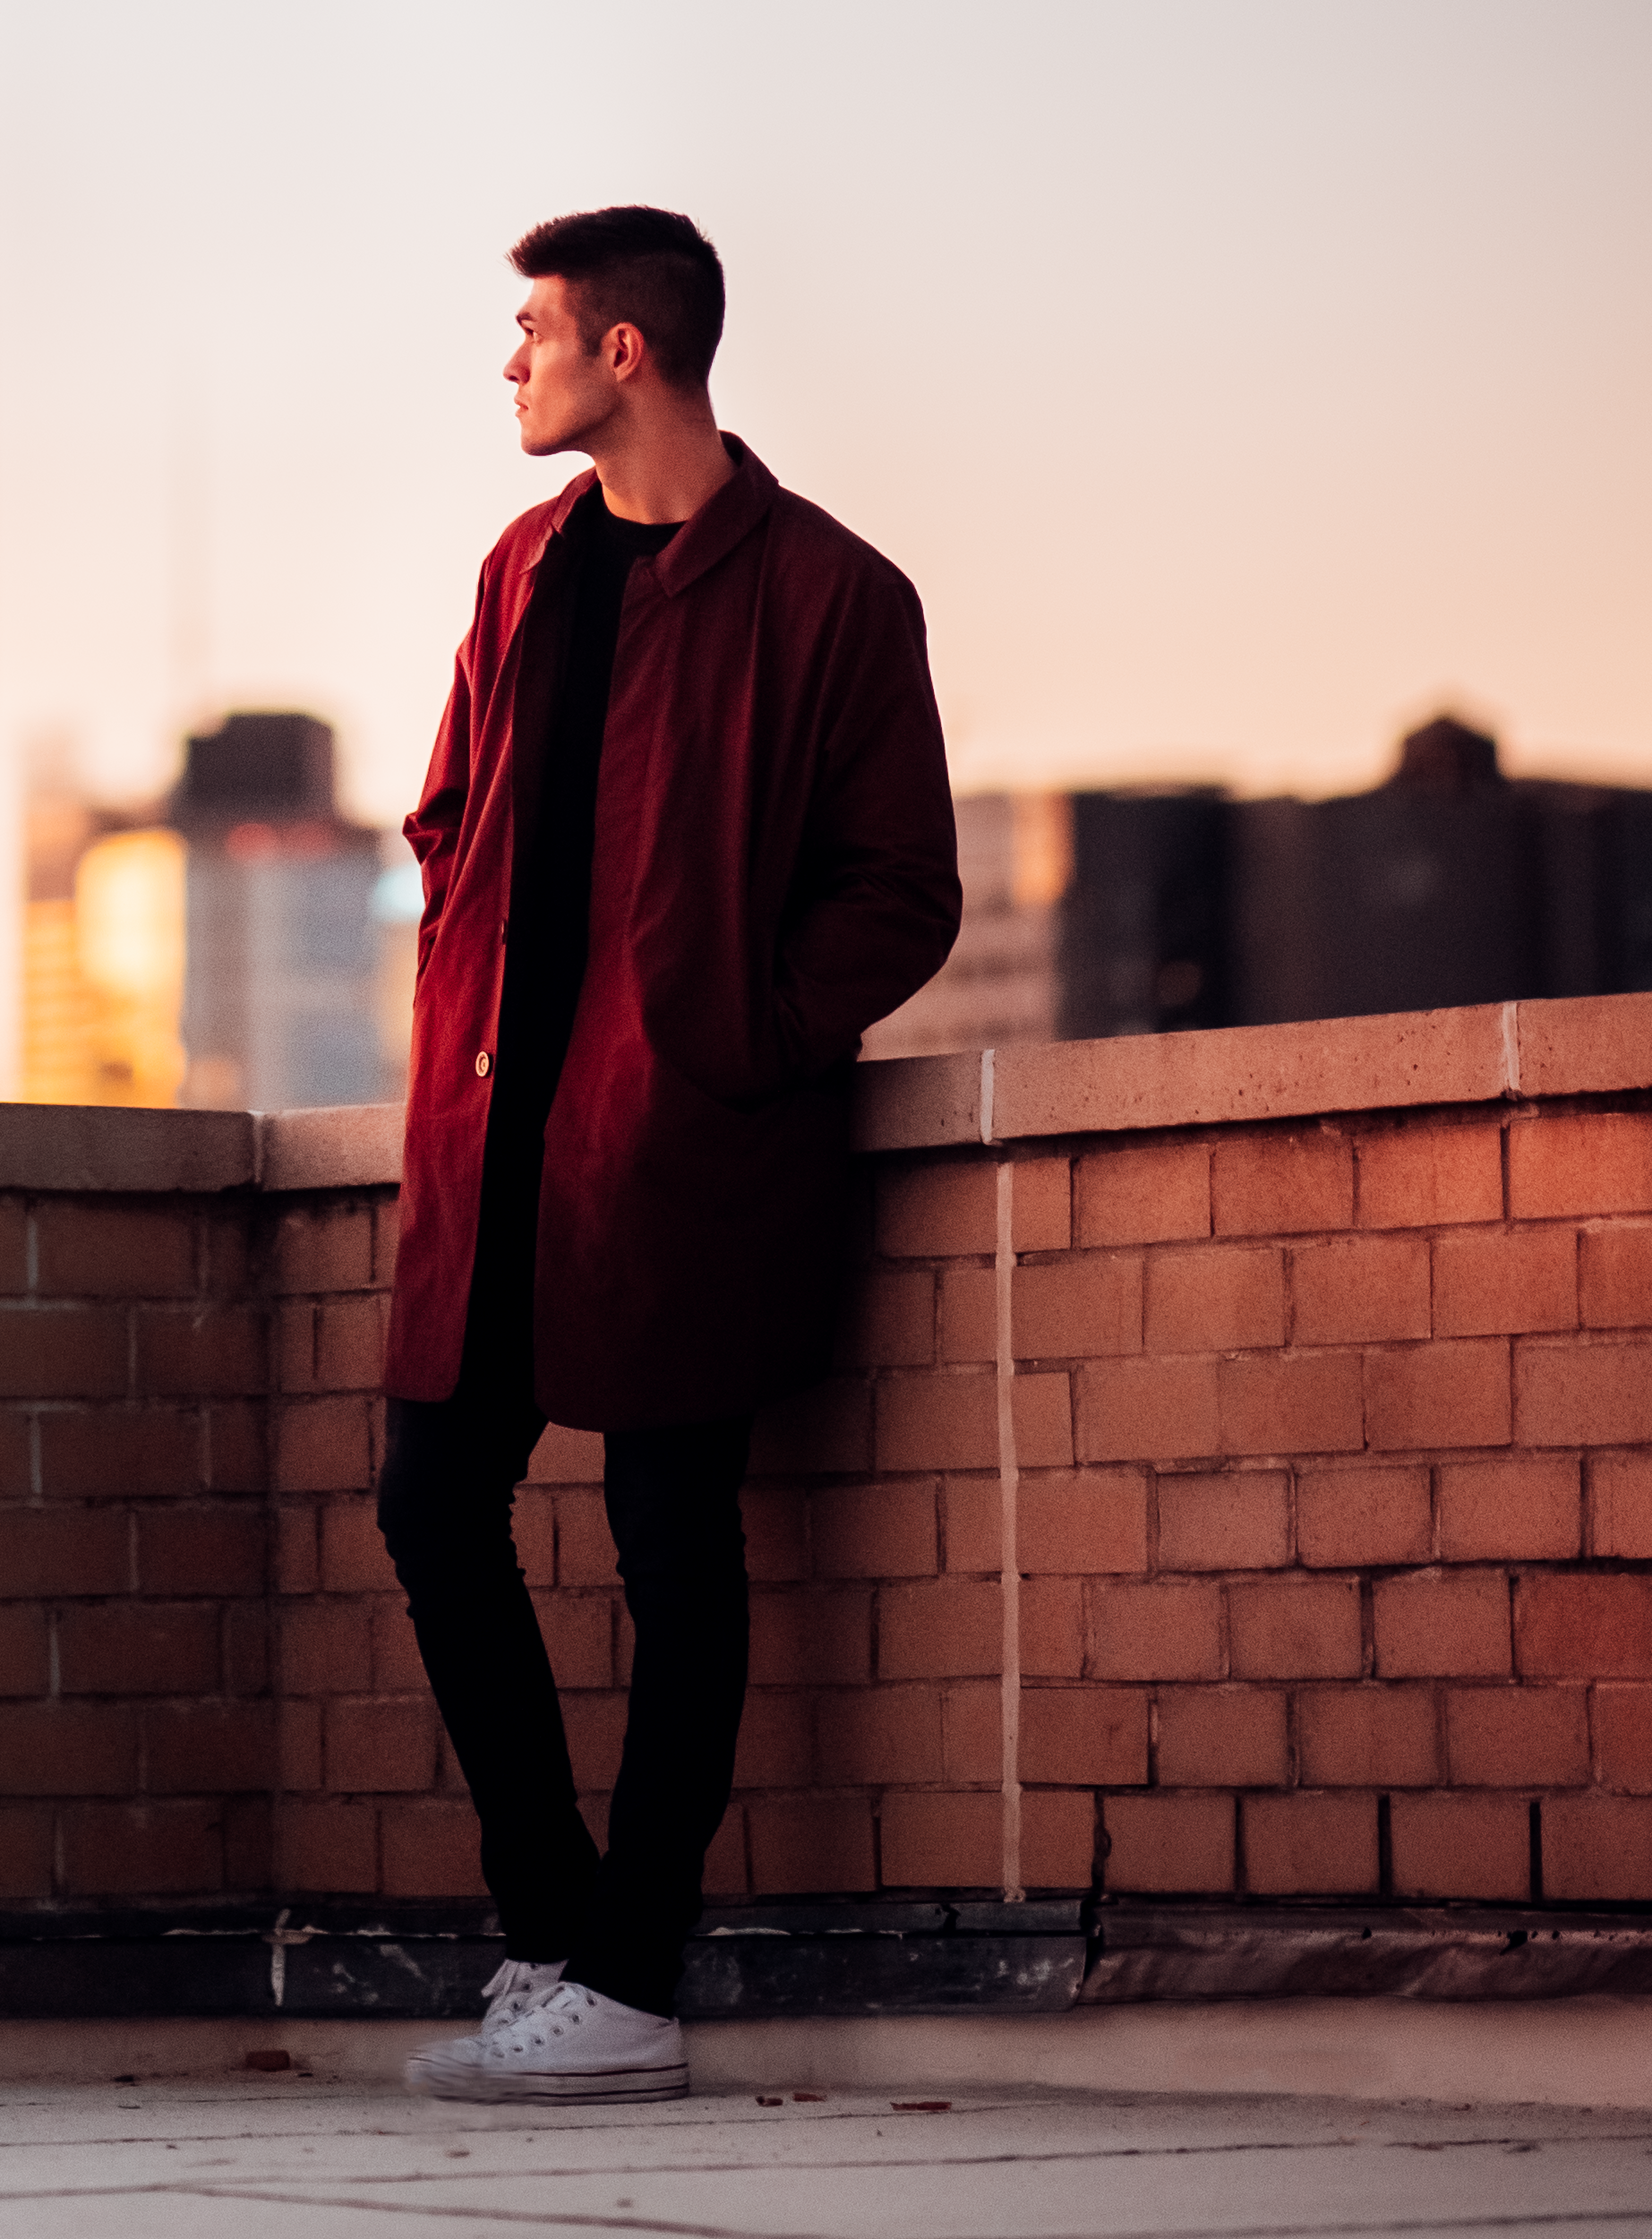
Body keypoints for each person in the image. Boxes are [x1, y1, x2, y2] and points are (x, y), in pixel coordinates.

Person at [386, 205, 960, 2106]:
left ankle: (627, 1980)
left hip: (688, 1142)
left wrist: (743, 1038)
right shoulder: (521, 570)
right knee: (430, 1498)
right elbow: (448, 811)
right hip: (499, 1147)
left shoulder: (833, 596)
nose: (512, 359)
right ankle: (553, 1932)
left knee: (670, 1544)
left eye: (535, 326)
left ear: (627, 350)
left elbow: (902, 890)